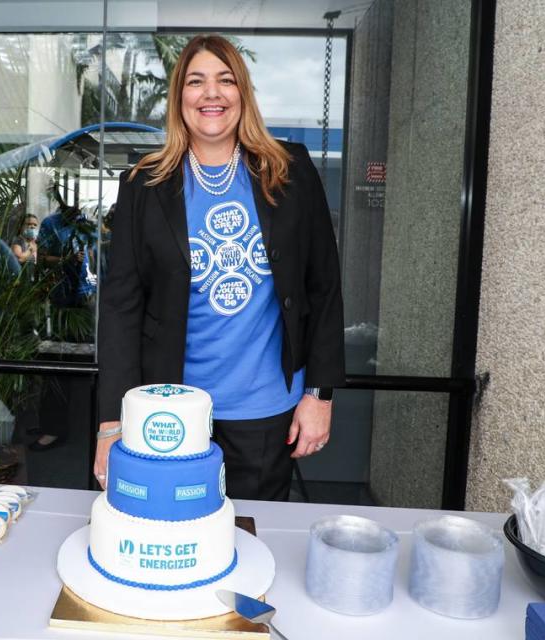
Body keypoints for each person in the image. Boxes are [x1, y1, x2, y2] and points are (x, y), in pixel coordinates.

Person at [95, 35, 345, 501]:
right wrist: (112, 424)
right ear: (180, 98)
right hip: (169, 414)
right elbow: (120, 308)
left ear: (242, 94)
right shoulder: (144, 185)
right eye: (196, 81)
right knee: (174, 541)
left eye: (225, 80)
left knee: (253, 542)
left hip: (265, 413)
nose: (212, 93)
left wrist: (320, 394)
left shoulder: (290, 171)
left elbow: (324, 286)